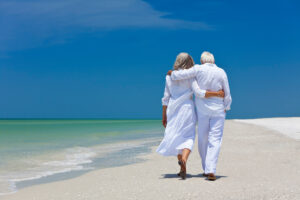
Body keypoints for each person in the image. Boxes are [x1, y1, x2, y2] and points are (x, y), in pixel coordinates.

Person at [156, 52, 224, 179]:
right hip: (187, 109)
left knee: (176, 136)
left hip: (173, 109)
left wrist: (163, 115)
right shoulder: (191, 77)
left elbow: (165, 98)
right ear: (190, 62)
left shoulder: (169, 77)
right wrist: (217, 94)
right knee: (188, 137)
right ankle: (185, 160)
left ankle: (182, 165)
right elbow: (198, 92)